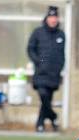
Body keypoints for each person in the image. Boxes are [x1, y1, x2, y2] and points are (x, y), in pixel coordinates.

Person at [26, 5, 65, 133]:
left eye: (55, 17)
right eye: (51, 17)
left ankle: (40, 124)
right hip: (41, 73)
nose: (53, 20)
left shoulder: (61, 34)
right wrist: (38, 61)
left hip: (54, 74)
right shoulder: (38, 32)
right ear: (46, 18)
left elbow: (62, 54)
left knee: (47, 99)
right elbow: (30, 48)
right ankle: (53, 116)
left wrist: (60, 67)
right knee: (43, 95)